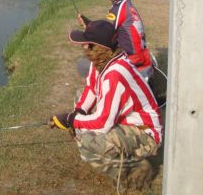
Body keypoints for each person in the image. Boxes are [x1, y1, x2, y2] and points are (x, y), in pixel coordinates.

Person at [50, 20, 163, 190]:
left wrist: (71, 120)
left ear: (100, 48)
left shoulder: (115, 74)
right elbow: (90, 89)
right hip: (127, 121)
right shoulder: (102, 63)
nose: (83, 48)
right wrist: (78, 112)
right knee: (80, 104)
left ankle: (136, 174)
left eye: (87, 45)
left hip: (146, 132)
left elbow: (103, 123)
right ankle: (121, 157)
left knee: (88, 142)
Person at [77, 0, 153, 79]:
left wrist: (87, 26)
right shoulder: (126, 5)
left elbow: (105, 36)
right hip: (140, 58)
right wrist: (88, 23)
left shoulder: (119, 8)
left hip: (133, 62)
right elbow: (107, 30)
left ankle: (101, 91)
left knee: (82, 65)